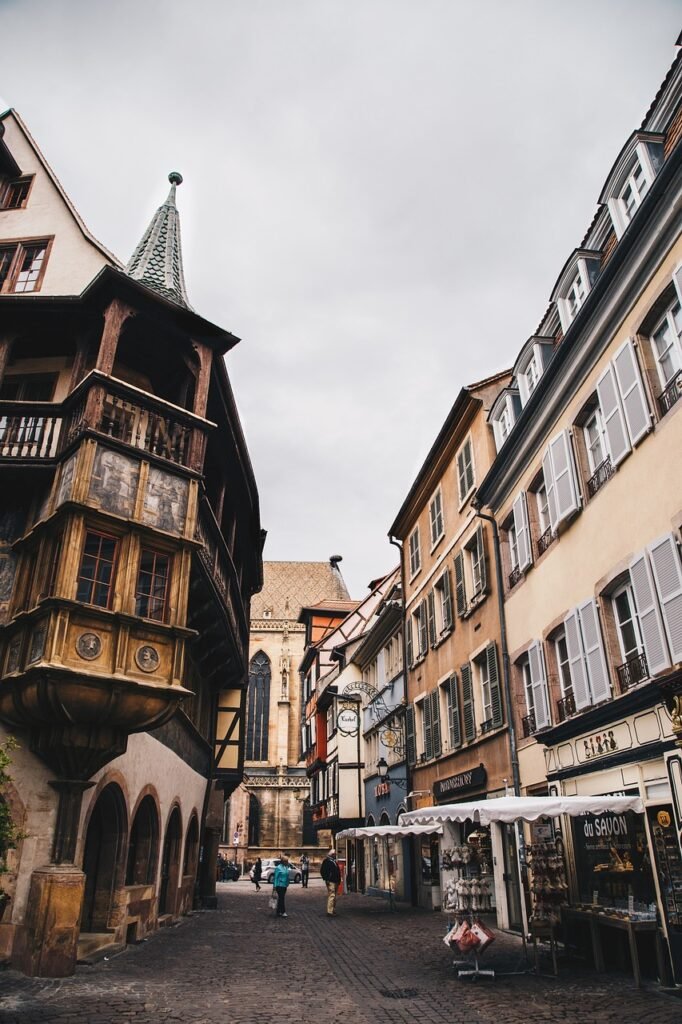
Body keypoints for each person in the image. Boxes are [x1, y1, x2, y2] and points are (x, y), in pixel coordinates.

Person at [320, 848, 341, 917]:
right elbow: (322, 871)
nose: (336, 855)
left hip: (336, 881)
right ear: (332, 855)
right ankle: (329, 911)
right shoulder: (327, 861)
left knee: (334, 896)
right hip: (331, 881)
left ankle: (333, 909)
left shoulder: (333, 861)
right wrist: (327, 879)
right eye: (335, 854)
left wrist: (339, 880)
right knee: (332, 895)